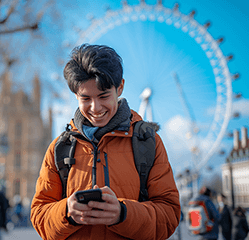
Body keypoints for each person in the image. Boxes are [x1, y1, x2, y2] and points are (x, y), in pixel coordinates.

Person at [30, 44, 181, 239]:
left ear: (120, 87)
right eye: (85, 98)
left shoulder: (148, 143)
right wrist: (67, 212)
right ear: (75, 95)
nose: (95, 107)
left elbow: (169, 216)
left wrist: (123, 213)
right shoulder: (59, 149)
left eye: (103, 96)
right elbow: (39, 216)